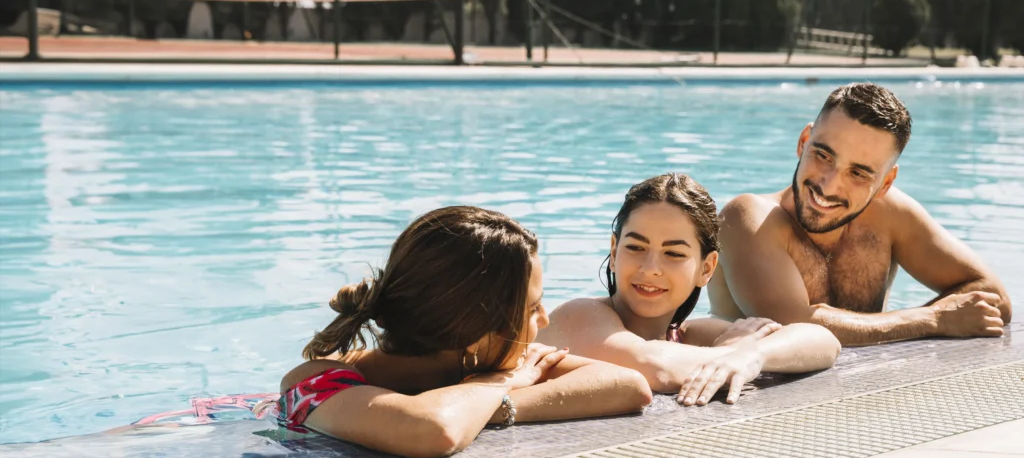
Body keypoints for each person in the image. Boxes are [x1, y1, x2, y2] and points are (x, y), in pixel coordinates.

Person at [275, 206, 652, 458]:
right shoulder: (316, 381)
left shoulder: (484, 364)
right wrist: (503, 382)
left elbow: (629, 385)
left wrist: (495, 401)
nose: (545, 320)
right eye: (532, 307)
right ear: (476, 333)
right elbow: (434, 430)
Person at [709, 82, 1012, 346]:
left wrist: (943, 318)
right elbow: (793, 327)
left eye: (858, 173)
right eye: (823, 155)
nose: (828, 185)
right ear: (804, 142)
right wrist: (933, 319)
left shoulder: (890, 215)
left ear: (885, 183)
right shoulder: (747, 219)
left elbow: (992, 297)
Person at [538, 174, 841, 407]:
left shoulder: (689, 336)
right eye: (635, 247)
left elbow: (824, 342)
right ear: (614, 252)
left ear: (706, 268)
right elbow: (654, 367)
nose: (650, 268)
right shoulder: (580, 316)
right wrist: (731, 352)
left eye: (674, 254)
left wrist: (754, 354)